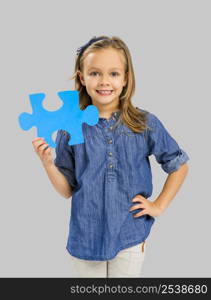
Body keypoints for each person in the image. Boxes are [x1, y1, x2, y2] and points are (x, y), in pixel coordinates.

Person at [32, 35, 190, 278]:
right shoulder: (71, 127)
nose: (104, 81)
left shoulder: (144, 123)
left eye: (114, 73)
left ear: (126, 78)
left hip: (130, 234)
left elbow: (179, 165)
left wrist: (158, 205)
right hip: (85, 239)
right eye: (95, 73)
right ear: (82, 77)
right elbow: (67, 190)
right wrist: (47, 163)